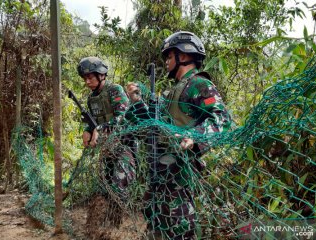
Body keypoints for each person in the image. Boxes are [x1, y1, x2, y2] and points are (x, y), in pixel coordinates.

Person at [126, 31, 232, 239]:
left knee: (180, 226)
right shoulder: (172, 92)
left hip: (180, 173)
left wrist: (195, 136)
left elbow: (222, 118)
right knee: (155, 221)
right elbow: (153, 126)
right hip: (160, 170)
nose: (166, 61)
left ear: (183, 56)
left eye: (169, 56)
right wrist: (137, 101)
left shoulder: (199, 85)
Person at [77, 57, 135, 237]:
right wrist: (88, 130)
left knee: (119, 185)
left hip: (125, 146)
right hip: (107, 148)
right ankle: (104, 227)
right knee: (105, 186)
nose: (87, 82)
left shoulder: (114, 90)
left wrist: (100, 129)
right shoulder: (91, 99)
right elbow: (93, 123)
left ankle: (114, 227)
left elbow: (123, 117)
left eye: (91, 78)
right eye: (85, 78)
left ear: (102, 75)